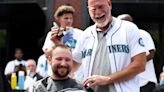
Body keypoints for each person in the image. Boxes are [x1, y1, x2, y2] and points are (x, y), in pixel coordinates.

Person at [51, 0, 147, 92]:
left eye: (101, 6)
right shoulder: (86, 34)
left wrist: (108, 79)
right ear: (88, 10)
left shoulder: (128, 29)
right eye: (93, 9)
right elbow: (72, 65)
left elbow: (140, 65)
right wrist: (59, 44)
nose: (98, 12)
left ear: (109, 4)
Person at [117, 14, 157, 92]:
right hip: (129, 84)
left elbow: (151, 54)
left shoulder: (142, 34)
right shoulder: (119, 38)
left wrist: (136, 62)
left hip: (145, 81)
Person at [42, 4, 83, 79]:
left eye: (71, 18)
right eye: (66, 18)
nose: (69, 21)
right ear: (58, 19)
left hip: (76, 75)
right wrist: (56, 43)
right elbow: (47, 53)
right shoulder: (52, 34)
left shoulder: (80, 34)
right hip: (57, 74)